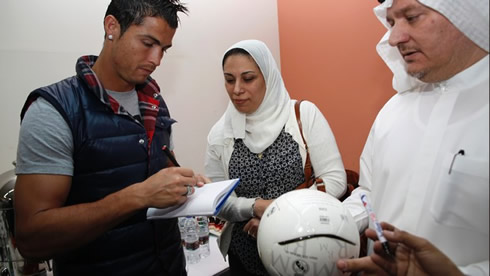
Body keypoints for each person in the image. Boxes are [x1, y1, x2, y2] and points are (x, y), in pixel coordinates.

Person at [13, 1, 206, 275]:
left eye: (164, 49)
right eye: (148, 43)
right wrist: (137, 196)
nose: (156, 60)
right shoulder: (54, 110)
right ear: (112, 27)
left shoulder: (154, 103)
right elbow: (32, 239)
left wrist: (186, 186)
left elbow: (159, 179)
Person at [338, 0, 489, 275]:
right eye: (392, 22)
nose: (394, 38)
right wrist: (320, 220)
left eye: (412, 17)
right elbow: (369, 193)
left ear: (465, 11)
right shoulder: (392, 112)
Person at [204, 39, 347, 276]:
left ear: (268, 77)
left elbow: (335, 180)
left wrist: (276, 216)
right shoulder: (221, 135)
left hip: (306, 245)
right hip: (245, 254)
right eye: (229, 80)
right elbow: (218, 201)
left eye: (248, 78)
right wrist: (255, 206)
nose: (236, 89)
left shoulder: (303, 115)